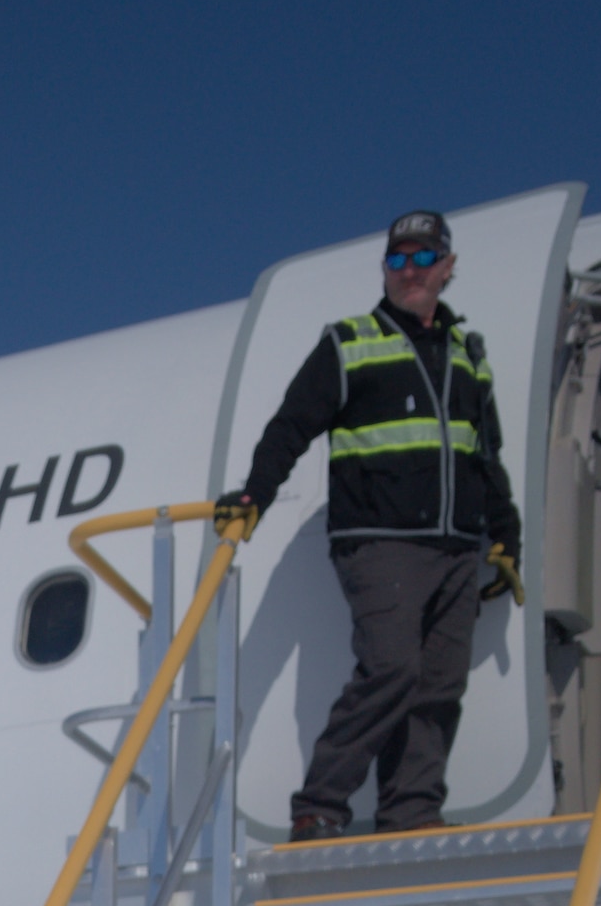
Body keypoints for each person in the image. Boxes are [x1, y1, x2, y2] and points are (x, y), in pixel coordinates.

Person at [218, 210, 525, 841]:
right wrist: (255, 494)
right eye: (397, 260)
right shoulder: (350, 341)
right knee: (392, 669)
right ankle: (320, 806)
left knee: (439, 685)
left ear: (447, 267)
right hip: (380, 541)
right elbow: (291, 426)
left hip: (456, 544)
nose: (409, 271)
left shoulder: (469, 354)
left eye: (422, 258)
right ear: (384, 269)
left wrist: (505, 535)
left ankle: (411, 813)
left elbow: (485, 453)